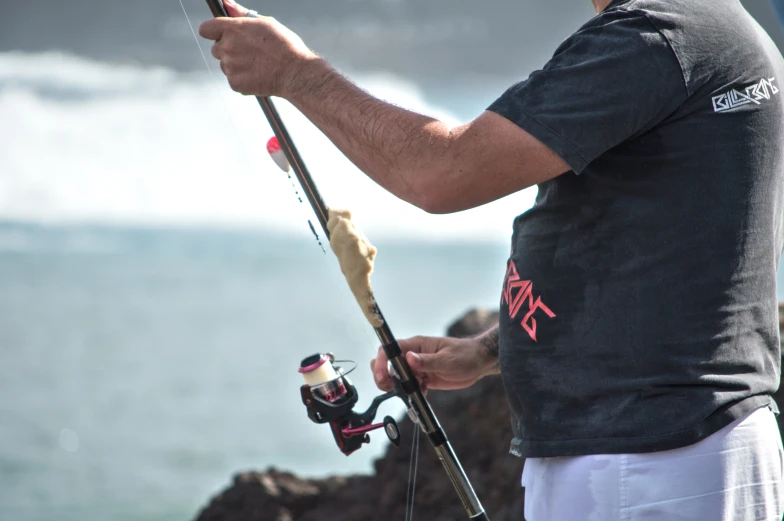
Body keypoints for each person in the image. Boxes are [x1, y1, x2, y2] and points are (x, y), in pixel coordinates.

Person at [200, 0, 784, 519]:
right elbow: (666, 253)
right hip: (671, 452)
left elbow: (441, 174)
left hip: (644, 462)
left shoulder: (653, 39)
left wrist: (297, 74)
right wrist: (487, 351)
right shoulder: (712, 28)